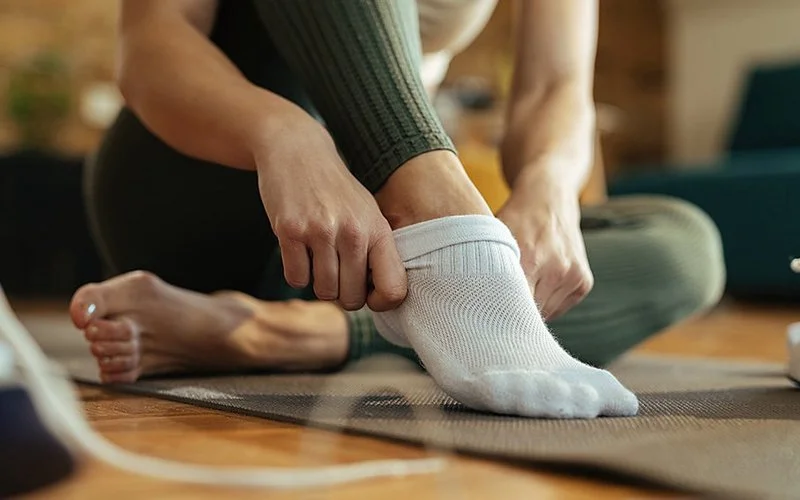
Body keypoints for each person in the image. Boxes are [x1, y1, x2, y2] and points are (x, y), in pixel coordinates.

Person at [69, 0, 725, 418]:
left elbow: (555, 85)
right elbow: (152, 41)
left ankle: (279, 333)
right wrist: (285, 135)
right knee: (456, 243)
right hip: (213, 177)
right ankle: (449, 237)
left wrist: (549, 189)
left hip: (376, 252)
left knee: (684, 243)